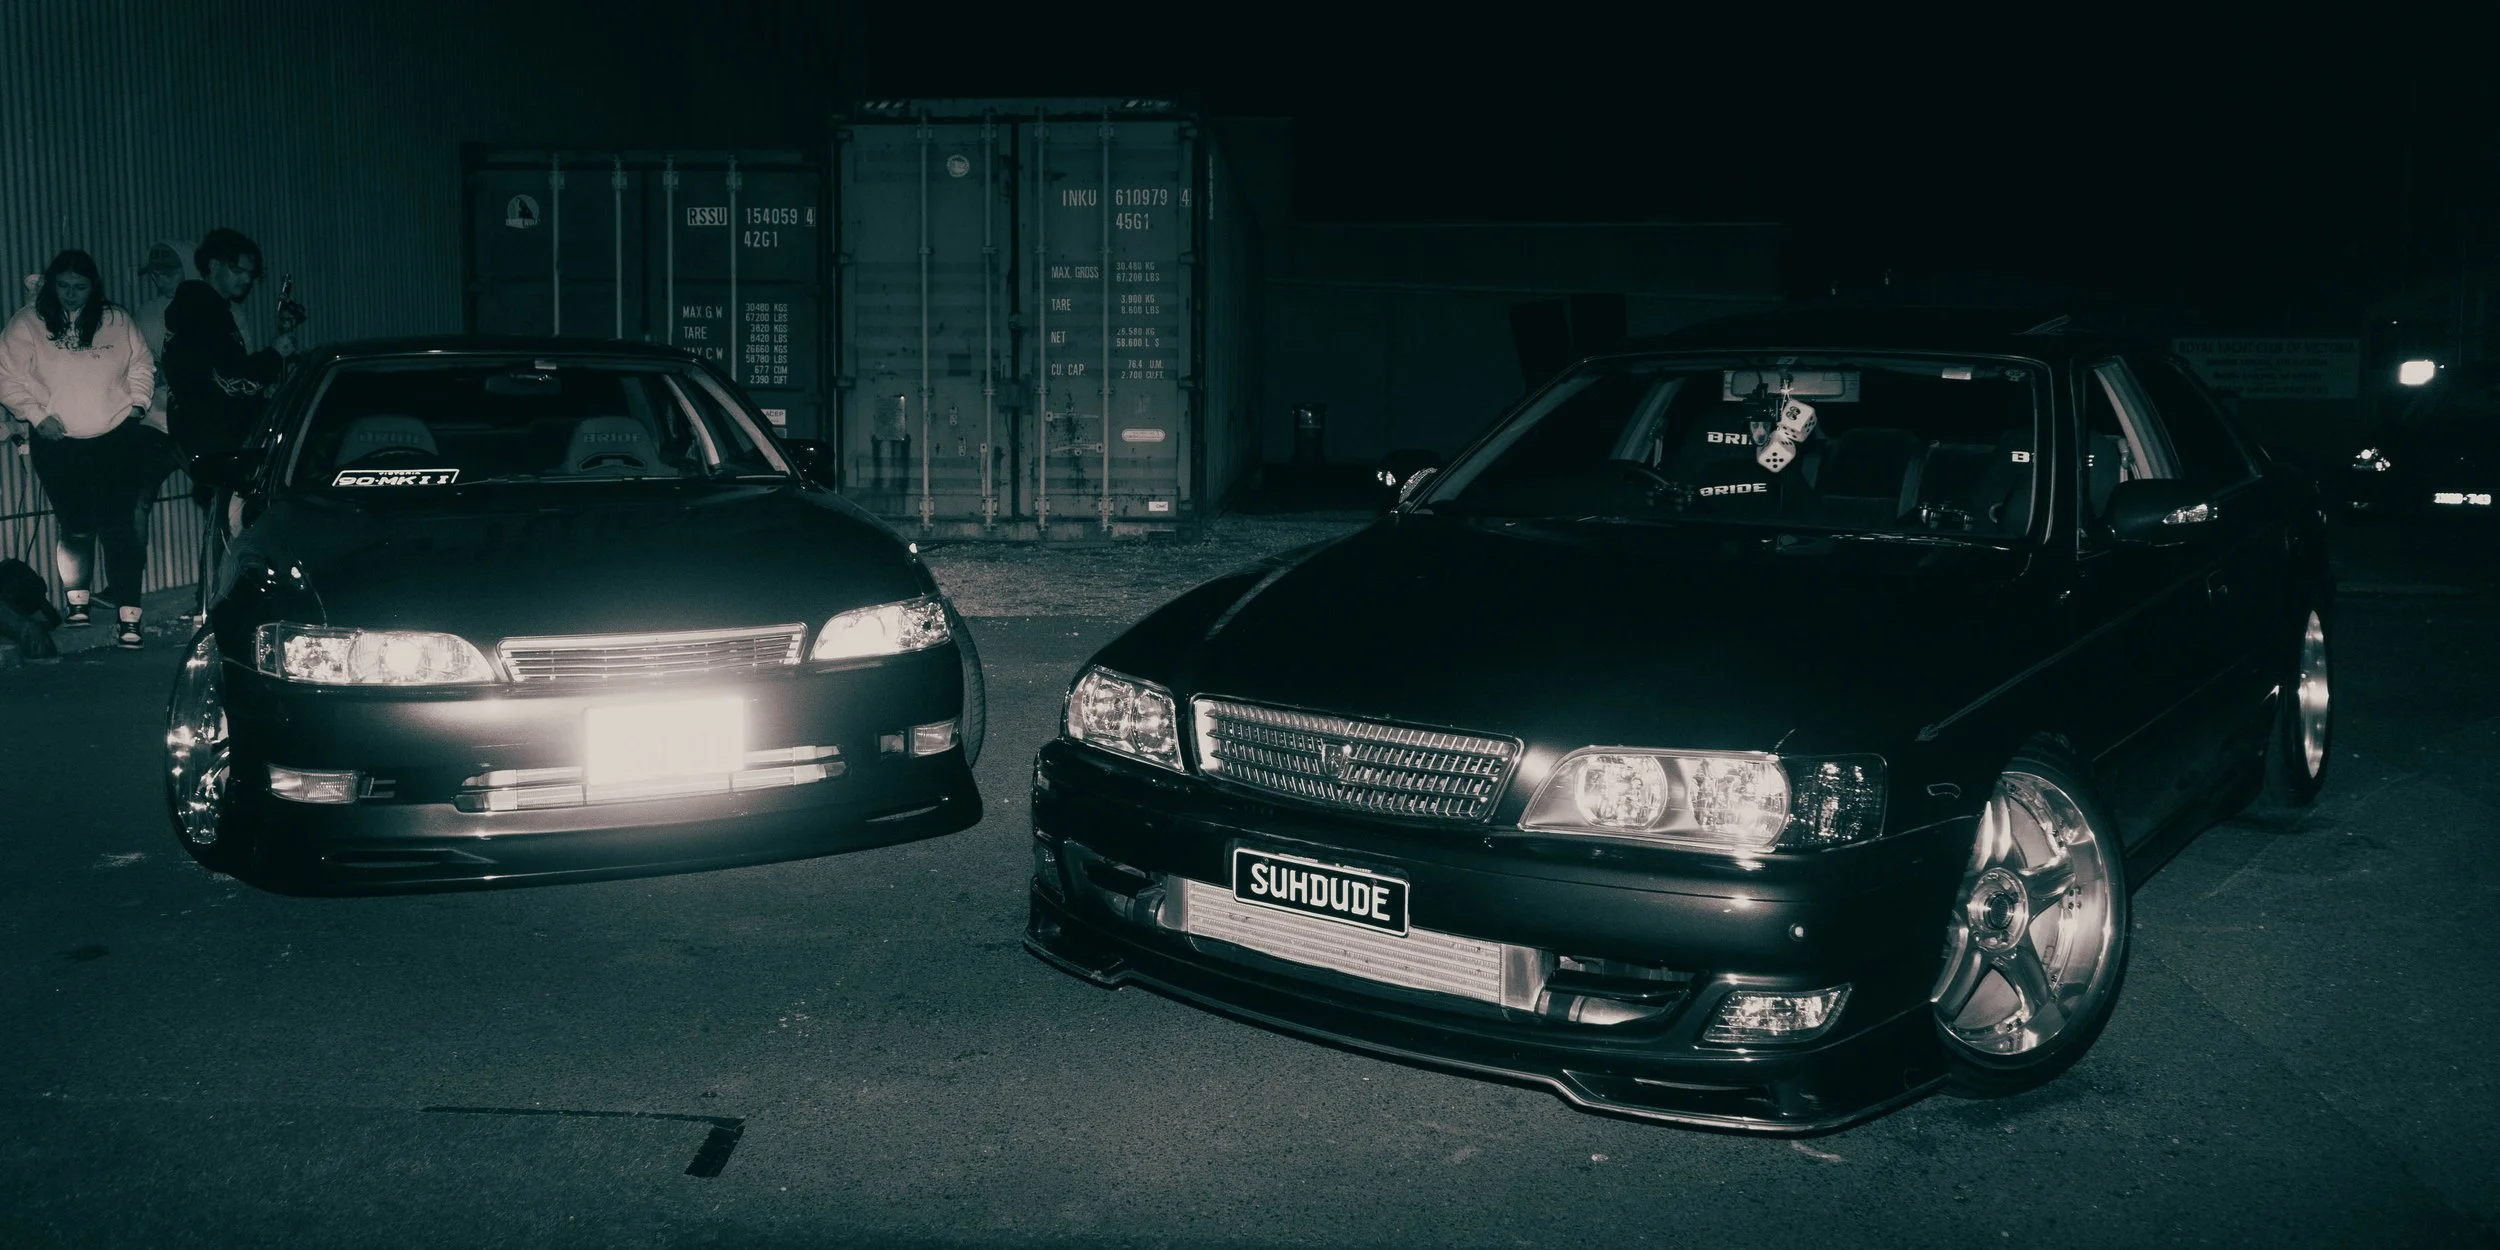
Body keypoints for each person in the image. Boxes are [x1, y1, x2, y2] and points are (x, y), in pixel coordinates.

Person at [0, 249, 161, 648]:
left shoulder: (116, 320)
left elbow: (142, 364)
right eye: (63, 286)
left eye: (80, 287)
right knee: (76, 525)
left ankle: (129, 615)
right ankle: (78, 603)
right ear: (52, 284)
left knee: (120, 526)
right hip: (58, 441)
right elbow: (6, 378)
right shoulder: (28, 323)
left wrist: (138, 404)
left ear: (94, 287)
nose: (71, 295)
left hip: (116, 438)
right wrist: (37, 417)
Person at [161, 227, 303, 615]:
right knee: (233, 519)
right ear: (212, 266)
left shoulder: (201, 308)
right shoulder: (202, 309)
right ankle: (217, 604)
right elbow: (232, 380)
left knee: (225, 517)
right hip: (216, 435)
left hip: (206, 431)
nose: (245, 279)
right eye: (238, 269)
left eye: (250, 273)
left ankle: (213, 601)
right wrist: (275, 354)